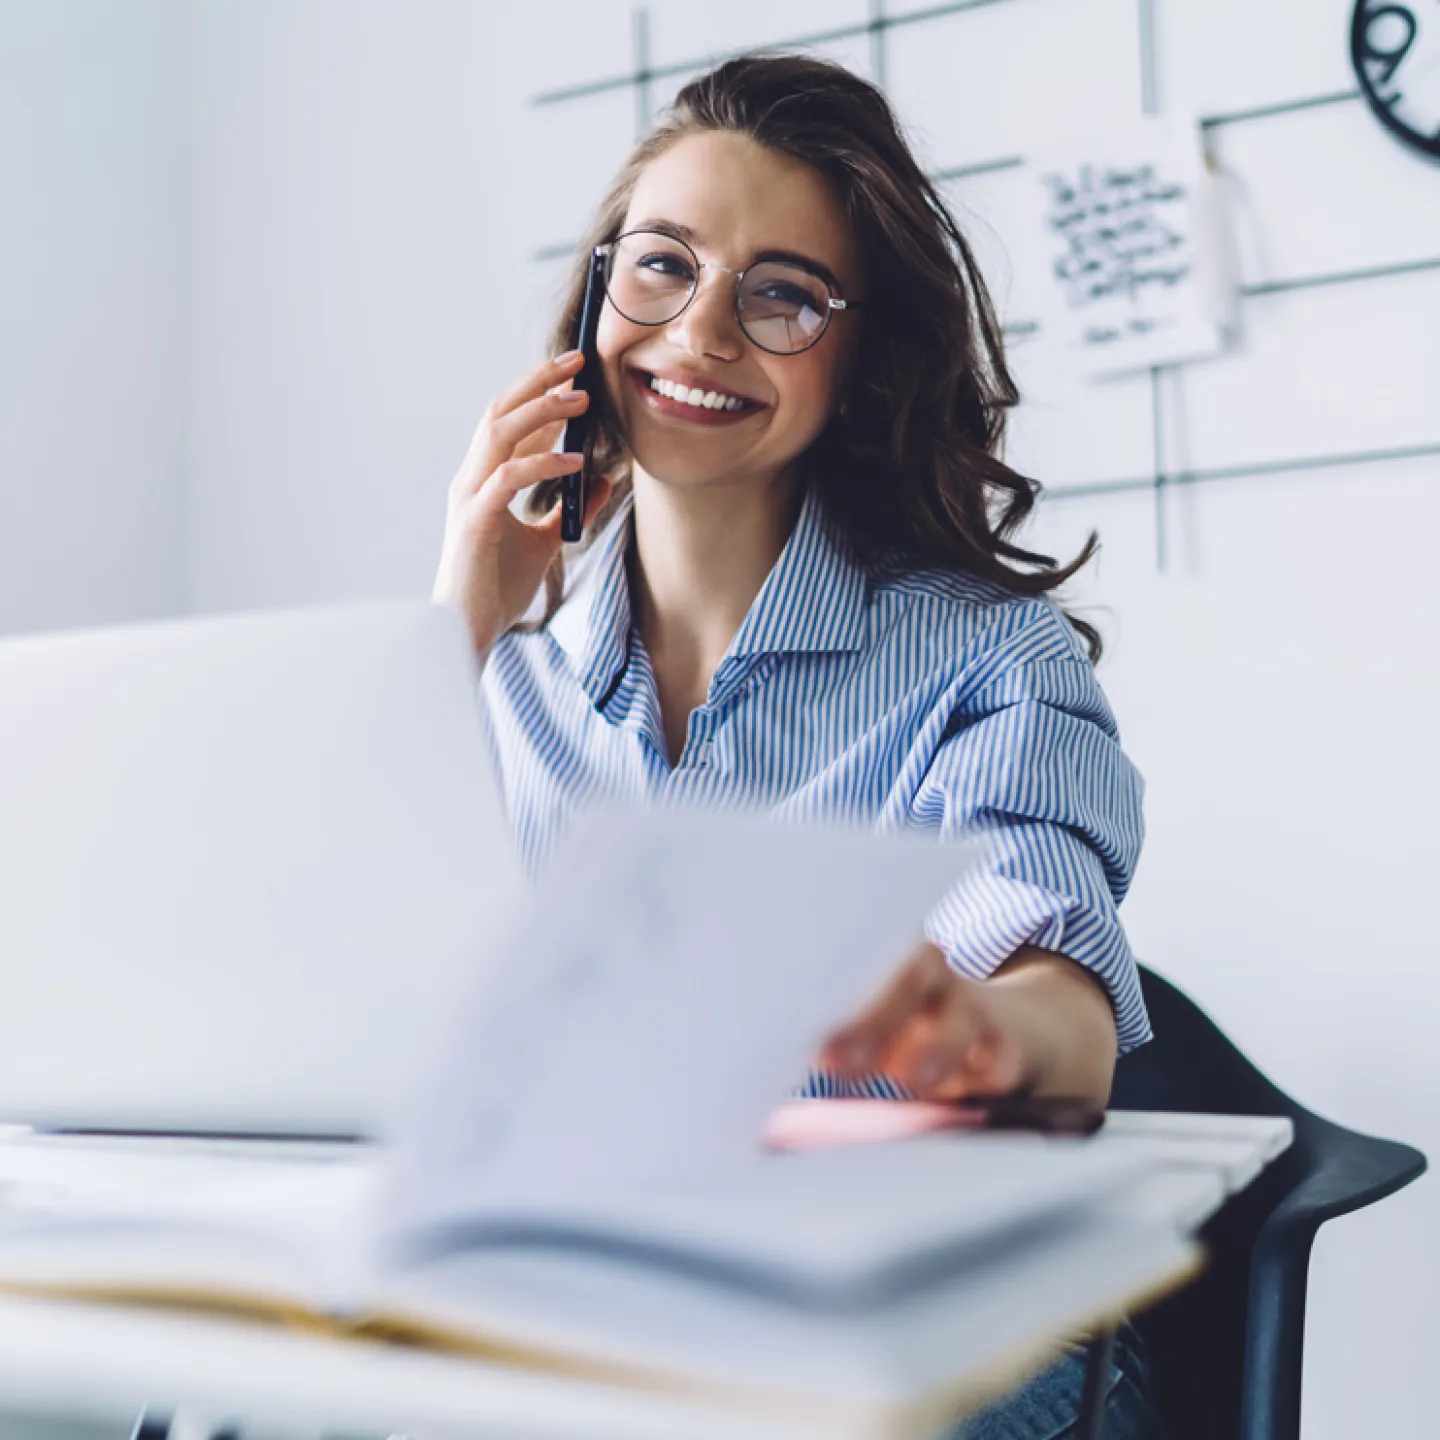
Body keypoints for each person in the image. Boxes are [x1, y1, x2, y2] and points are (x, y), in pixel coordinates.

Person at [432, 52, 1164, 1439]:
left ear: (859, 357)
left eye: (781, 295)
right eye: (662, 265)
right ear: (596, 297)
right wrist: (450, 633)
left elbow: (1063, 1015)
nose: (701, 331)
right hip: (589, 1308)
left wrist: (978, 1034)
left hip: (925, 1324)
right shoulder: (487, 680)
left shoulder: (990, 659)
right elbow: (340, 1018)